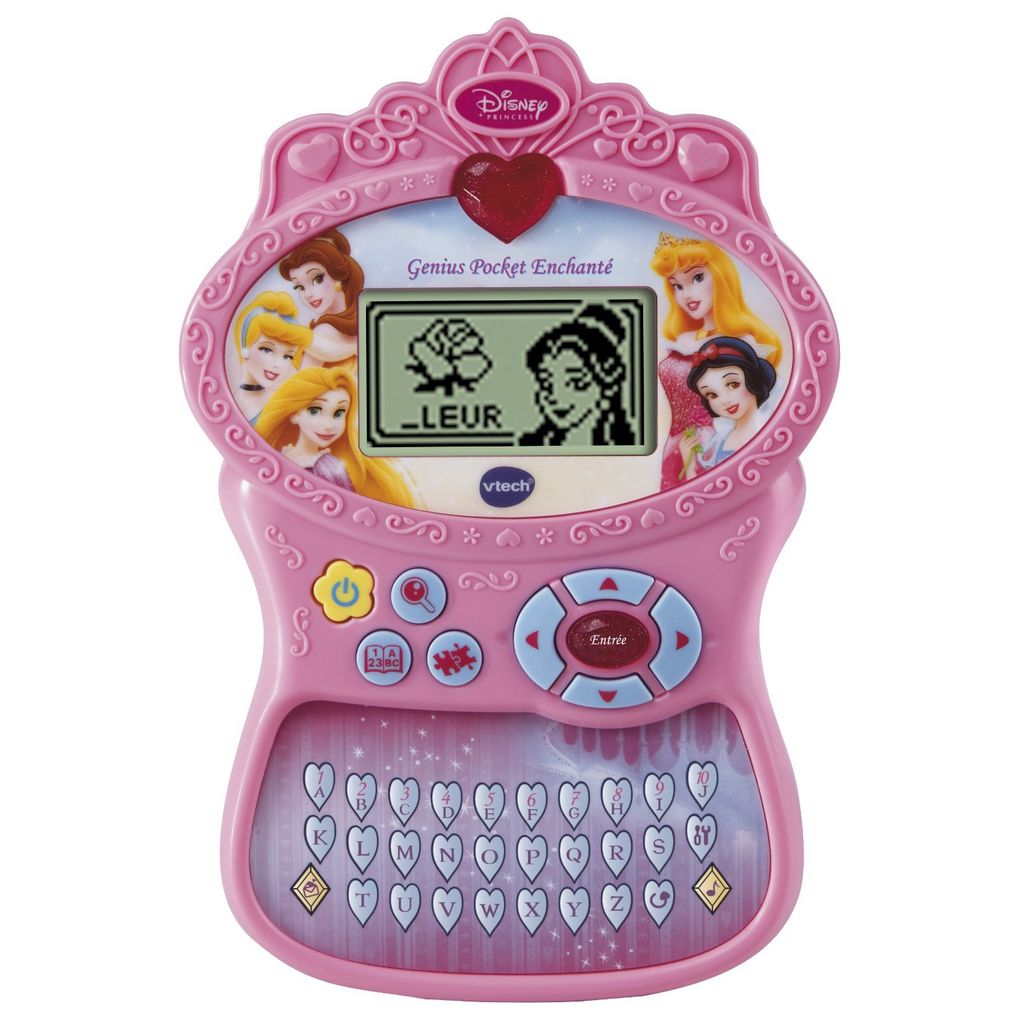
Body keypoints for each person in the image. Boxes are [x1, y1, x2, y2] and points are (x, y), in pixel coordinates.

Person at [650, 234, 782, 487]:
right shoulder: (682, 340)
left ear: (720, 276)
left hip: (714, 441)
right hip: (677, 444)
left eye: (697, 278)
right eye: (677, 286)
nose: (687, 294)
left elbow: (756, 403)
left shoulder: (741, 342)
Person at [254, 366, 414, 506]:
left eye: (339, 413)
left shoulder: (329, 468)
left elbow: (345, 513)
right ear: (294, 414)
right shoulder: (278, 456)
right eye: (315, 411)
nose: (329, 425)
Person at [518, 305, 635, 447]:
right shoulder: (532, 445)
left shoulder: (624, 446)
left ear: (607, 386)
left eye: (576, 382)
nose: (556, 396)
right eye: (546, 384)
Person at [677, 337, 777, 479]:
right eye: (712, 395)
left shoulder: (773, 428)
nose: (724, 400)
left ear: (752, 379)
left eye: (733, 384)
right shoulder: (718, 442)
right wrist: (689, 463)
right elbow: (707, 491)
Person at [278, 229, 364, 367]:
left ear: (338, 275)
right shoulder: (366, 320)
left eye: (317, 279)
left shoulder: (323, 331)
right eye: (300, 287)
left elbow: (305, 378)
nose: (308, 294)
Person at [232, 291, 312, 422]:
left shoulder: (286, 406)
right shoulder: (227, 403)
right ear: (245, 346)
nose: (277, 364)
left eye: (287, 356)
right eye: (267, 350)